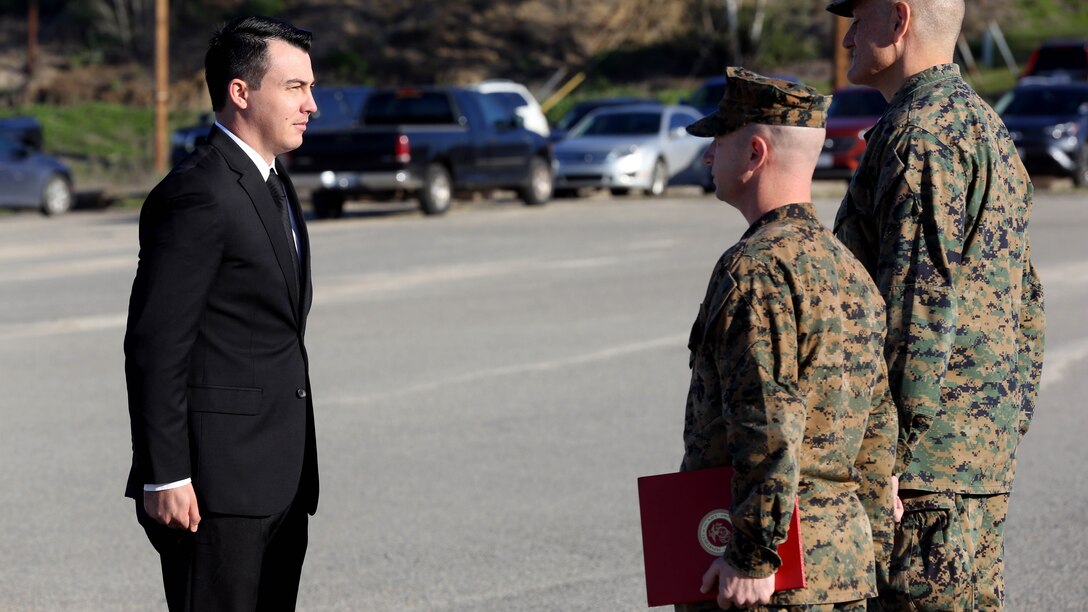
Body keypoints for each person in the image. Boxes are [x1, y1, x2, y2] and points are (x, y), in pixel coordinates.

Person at [825, 0, 1046, 609]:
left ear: (898, 22)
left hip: (920, 479)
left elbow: (916, 310)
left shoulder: (921, 133)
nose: (846, 39)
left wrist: (887, 458)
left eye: (858, 19)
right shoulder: (986, 126)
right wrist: (1002, 427)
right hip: (970, 463)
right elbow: (1025, 303)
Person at [678, 67, 898, 612]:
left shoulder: (756, 270)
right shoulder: (848, 269)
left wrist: (751, 555)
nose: (708, 157)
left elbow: (767, 421)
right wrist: (873, 553)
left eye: (718, 142)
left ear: (754, 153)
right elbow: (877, 433)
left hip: (773, 579)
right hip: (842, 570)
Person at [123, 15, 319, 611]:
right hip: (213, 491)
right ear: (241, 91)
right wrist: (166, 474)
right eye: (296, 88)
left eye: (310, 87)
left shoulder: (273, 183)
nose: (312, 104)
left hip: (279, 477)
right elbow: (156, 345)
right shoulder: (196, 193)